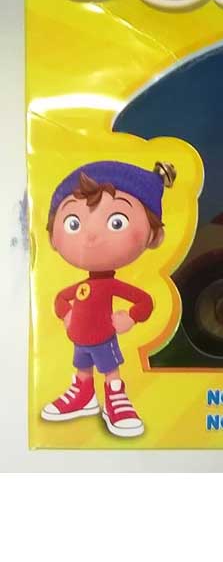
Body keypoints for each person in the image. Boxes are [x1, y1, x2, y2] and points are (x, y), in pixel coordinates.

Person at [40, 160, 176, 438]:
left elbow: (144, 301)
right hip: (79, 340)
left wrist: (131, 317)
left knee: (110, 370)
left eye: (116, 222)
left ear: (153, 236)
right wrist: (66, 313)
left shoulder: (112, 285)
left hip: (103, 338)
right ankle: (83, 394)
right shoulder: (82, 285)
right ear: (53, 236)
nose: (91, 235)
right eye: (73, 222)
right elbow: (61, 299)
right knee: (82, 367)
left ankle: (116, 397)